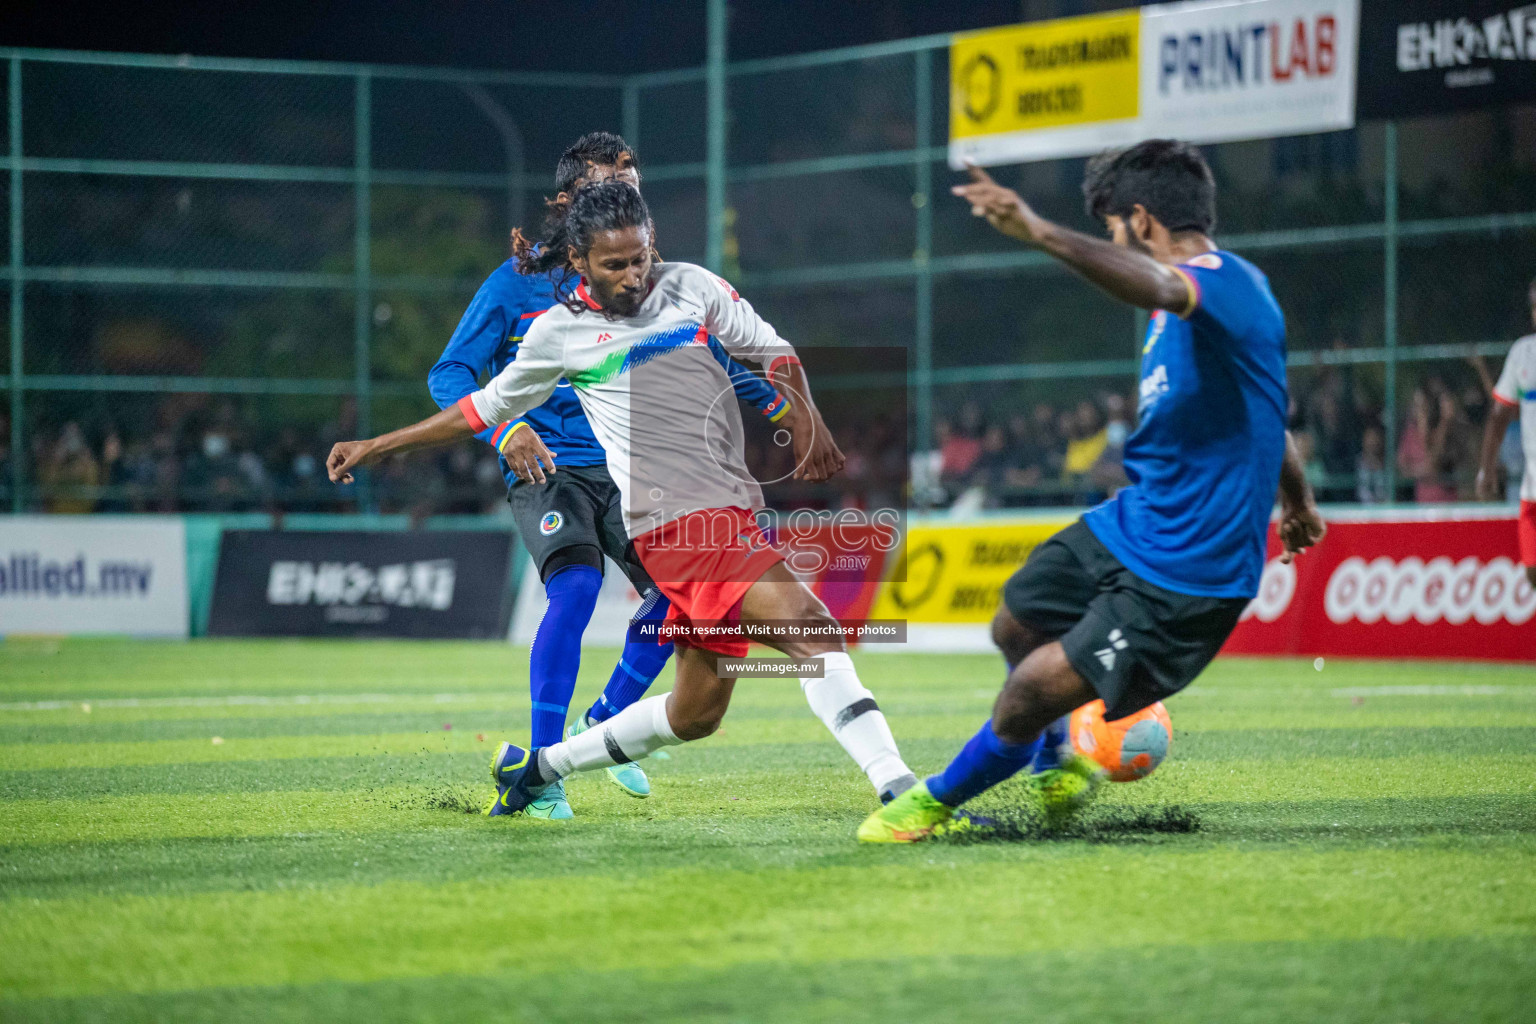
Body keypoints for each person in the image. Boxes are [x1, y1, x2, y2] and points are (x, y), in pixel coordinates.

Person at [327, 179, 916, 818]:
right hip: (678, 526)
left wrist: (807, 415)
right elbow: (478, 407)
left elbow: (771, 349)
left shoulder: (691, 286)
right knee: (814, 634)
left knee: (696, 713)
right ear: (578, 261)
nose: (634, 275)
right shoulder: (558, 333)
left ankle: (539, 769)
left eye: (640, 258)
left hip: (729, 512)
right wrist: (377, 446)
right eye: (615, 265)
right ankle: (900, 790)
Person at [861, 140, 1325, 842]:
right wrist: (1298, 501)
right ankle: (1058, 768)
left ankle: (932, 805)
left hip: (1187, 574)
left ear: (1140, 221)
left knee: (1025, 697)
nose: (1115, 241)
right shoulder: (1195, 313)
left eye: (1112, 227)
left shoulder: (1221, 284)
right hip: (1134, 526)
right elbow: (1269, 410)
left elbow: (1164, 285)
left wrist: (1040, 231)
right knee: (1015, 622)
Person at [426, 132, 789, 819]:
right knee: (577, 587)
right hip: (551, 468)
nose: (623, 202)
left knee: (678, 599)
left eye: (631, 191)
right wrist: (506, 428)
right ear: (565, 205)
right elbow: (449, 373)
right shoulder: (514, 286)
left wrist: (763, 391)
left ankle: (606, 718)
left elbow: (698, 349)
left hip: (636, 469)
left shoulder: (644, 282)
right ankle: (544, 770)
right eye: (601, 191)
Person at [1475, 275, 1536, 587]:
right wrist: (1486, 469)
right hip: (1531, 490)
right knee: (1531, 573)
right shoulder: (1523, 354)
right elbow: (1498, 416)